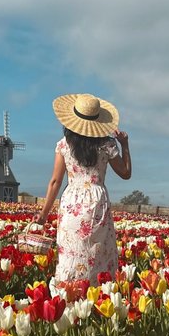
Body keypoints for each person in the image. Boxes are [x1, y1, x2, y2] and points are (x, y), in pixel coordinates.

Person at [34, 93, 132, 285]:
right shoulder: (107, 145)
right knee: (97, 254)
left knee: (71, 253)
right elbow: (125, 173)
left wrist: (43, 215)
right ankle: (97, 293)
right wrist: (125, 145)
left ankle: (69, 293)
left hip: (72, 202)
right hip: (97, 201)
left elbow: (55, 181)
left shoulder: (63, 145)